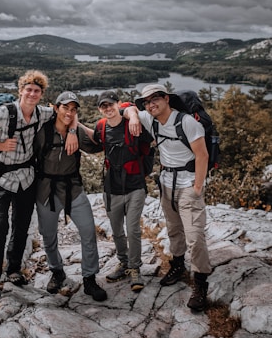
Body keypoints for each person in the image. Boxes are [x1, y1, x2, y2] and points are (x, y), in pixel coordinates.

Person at [0, 70, 78, 299]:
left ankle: (14, 269)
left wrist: (73, 131)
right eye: (29, 89)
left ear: (41, 93)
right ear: (21, 90)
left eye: (37, 91)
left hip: (26, 177)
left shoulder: (42, 113)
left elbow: (68, 114)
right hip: (1, 178)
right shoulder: (1, 114)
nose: (32, 94)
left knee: (21, 226)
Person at [125, 84, 211, 311]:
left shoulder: (187, 122)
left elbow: (202, 156)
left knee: (195, 236)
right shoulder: (150, 119)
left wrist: (197, 188)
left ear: (167, 99)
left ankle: (201, 284)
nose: (150, 105)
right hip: (166, 184)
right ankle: (178, 265)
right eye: (146, 102)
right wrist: (134, 115)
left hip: (188, 185)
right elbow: (124, 109)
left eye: (155, 99)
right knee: (173, 229)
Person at [33, 91, 107, 302]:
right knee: (48, 235)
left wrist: (77, 128)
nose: (69, 112)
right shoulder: (42, 132)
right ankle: (57, 271)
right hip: (46, 189)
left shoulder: (77, 132)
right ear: (56, 108)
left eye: (73, 109)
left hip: (72, 187)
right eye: (65, 107)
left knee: (87, 231)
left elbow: (98, 146)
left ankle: (90, 279)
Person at [93, 90, 153, 292]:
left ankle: (135, 268)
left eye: (110, 104)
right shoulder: (100, 128)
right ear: (100, 110)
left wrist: (133, 114)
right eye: (103, 106)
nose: (108, 109)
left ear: (118, 104)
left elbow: (149, 141)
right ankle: (123, 262)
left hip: (135, 185)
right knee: (117, 230)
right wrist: (74, 128)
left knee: (133, 228)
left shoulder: (133, 124)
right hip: (112, 188)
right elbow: (92, 141)